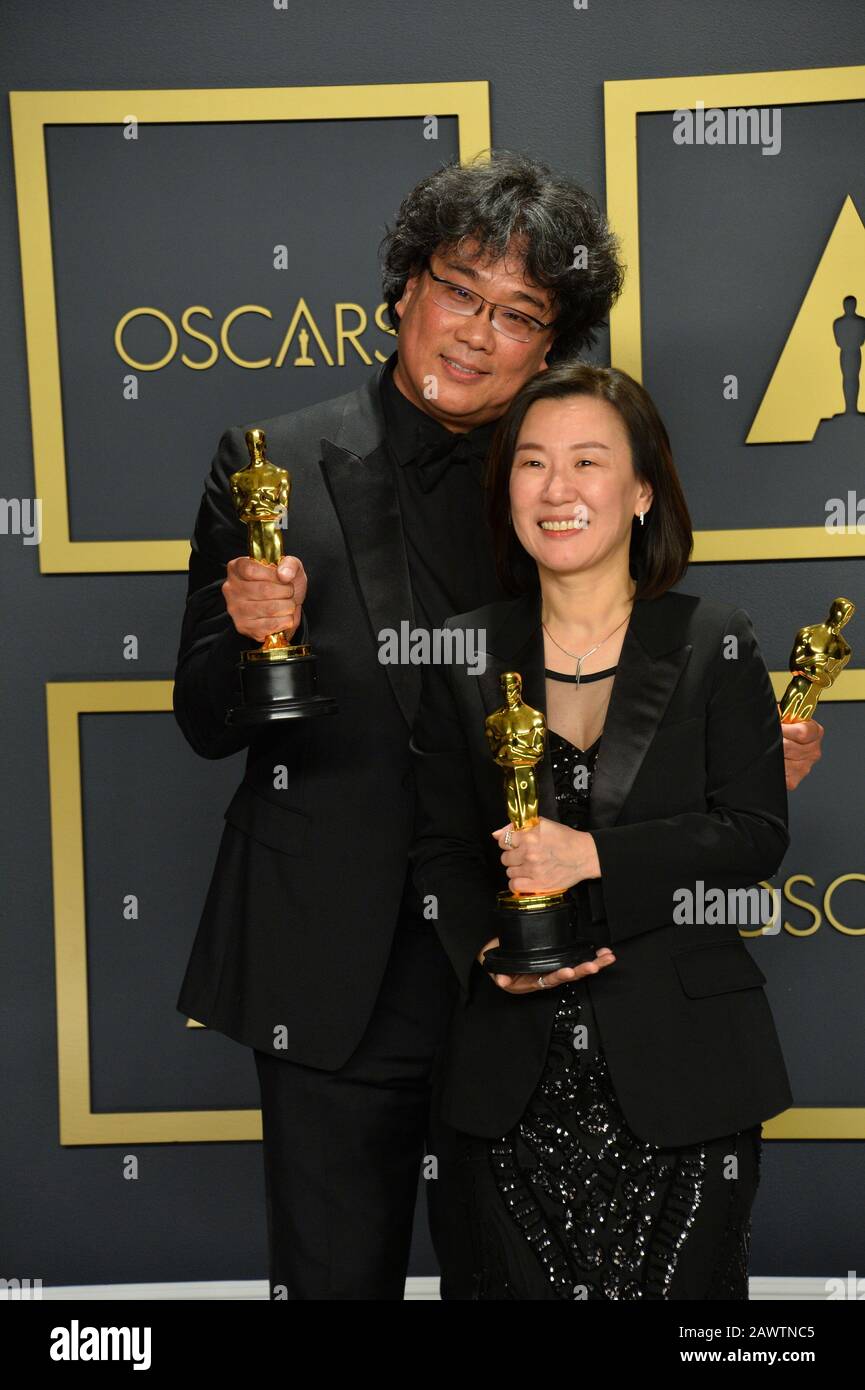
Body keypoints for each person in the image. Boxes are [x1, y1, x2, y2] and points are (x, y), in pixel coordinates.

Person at [172, 152, 821, 1300]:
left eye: (518, 314)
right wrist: (242, 637)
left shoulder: (562, 472)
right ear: (405, 286)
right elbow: (205, 717)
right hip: (338, 973)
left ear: (553, 341)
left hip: (539, 976)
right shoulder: (268, 463)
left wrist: (739, 765)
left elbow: (633, 713)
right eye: (460, 290)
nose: (476, 333)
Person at [409, 361, 795, 1300]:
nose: (557, 489)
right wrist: (490, 949)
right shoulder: (464, 651)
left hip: (688, 1080)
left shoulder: (714, 640)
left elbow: (752, 835)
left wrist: (592, 856)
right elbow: (440, 851)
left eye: (588, 461)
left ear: (641, 491)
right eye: (531, 464)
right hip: (505, 1089)